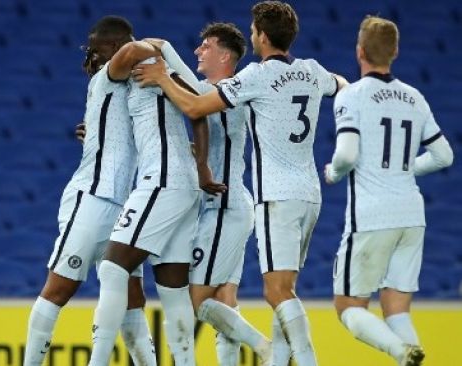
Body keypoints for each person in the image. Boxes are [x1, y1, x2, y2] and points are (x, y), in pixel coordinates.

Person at [133, 2, 348, 365]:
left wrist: (163, 75)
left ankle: (273, 351)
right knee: (243, 298)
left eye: (253, 30)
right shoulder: (311, 70)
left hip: (252, 200)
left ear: (261, 36)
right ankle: (276, 358)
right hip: (308, 194)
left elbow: (197, 107)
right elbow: (342, 84)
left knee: (210, 300)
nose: (200, 50)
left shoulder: (251, 79)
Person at [22, 16, 157, 366]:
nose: (91, 59)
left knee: (132, 298)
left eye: (96, 50)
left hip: (125, 204)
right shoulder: (107, 77)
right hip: (92, 199)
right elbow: (132, 53)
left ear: (113, 47)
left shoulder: (138, 88)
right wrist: (162, 49)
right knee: (59, 289)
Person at [87, 34, 226, 366]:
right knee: (173, 288)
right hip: (181, 185)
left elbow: (196, 107)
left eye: (104, 52)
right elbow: (194, 111)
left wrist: (153, 46)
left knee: (111, 268)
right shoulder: (136, 82)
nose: (104, 62)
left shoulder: (147, 62)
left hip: (164, 180)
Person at [324, 15, 454, 366]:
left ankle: (400, 351)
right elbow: (444, 155)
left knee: (348, 307)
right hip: (412, 214)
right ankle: (407, 355)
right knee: (397, 311)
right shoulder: (414, 97)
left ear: (359, 50)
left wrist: (333, 172)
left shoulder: (352, 95)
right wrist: (407, 167)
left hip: (372, 216)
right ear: (395, 51)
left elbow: (347, 154)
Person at [146, 23, 271, 366]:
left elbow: (191, 100)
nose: (199, 50)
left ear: (225, 55)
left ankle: (265, 348)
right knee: (225, 300)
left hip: (223, 207)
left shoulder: (228, 90)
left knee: (195, 302)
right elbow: (210, 143)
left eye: (206, 46)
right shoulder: (224, 92)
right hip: (234, 203)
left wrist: (164, 57)